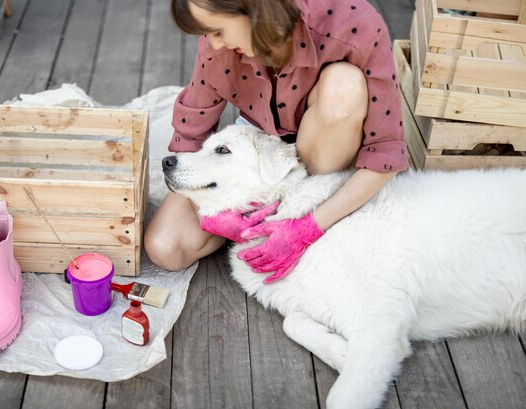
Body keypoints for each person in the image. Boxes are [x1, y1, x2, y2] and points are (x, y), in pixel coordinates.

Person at [145, 0, 409, 281]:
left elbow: (386, 155)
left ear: (253, 10)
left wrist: (309, 227)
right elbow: (190, 134)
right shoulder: (217, 48)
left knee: (343, 84)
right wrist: (208, 215)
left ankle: (305, 214)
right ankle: (258, 224)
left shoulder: (354, 22)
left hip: (328, 145)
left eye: (218, 31)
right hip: (256, 148)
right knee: (166, 248)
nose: (212, 43)